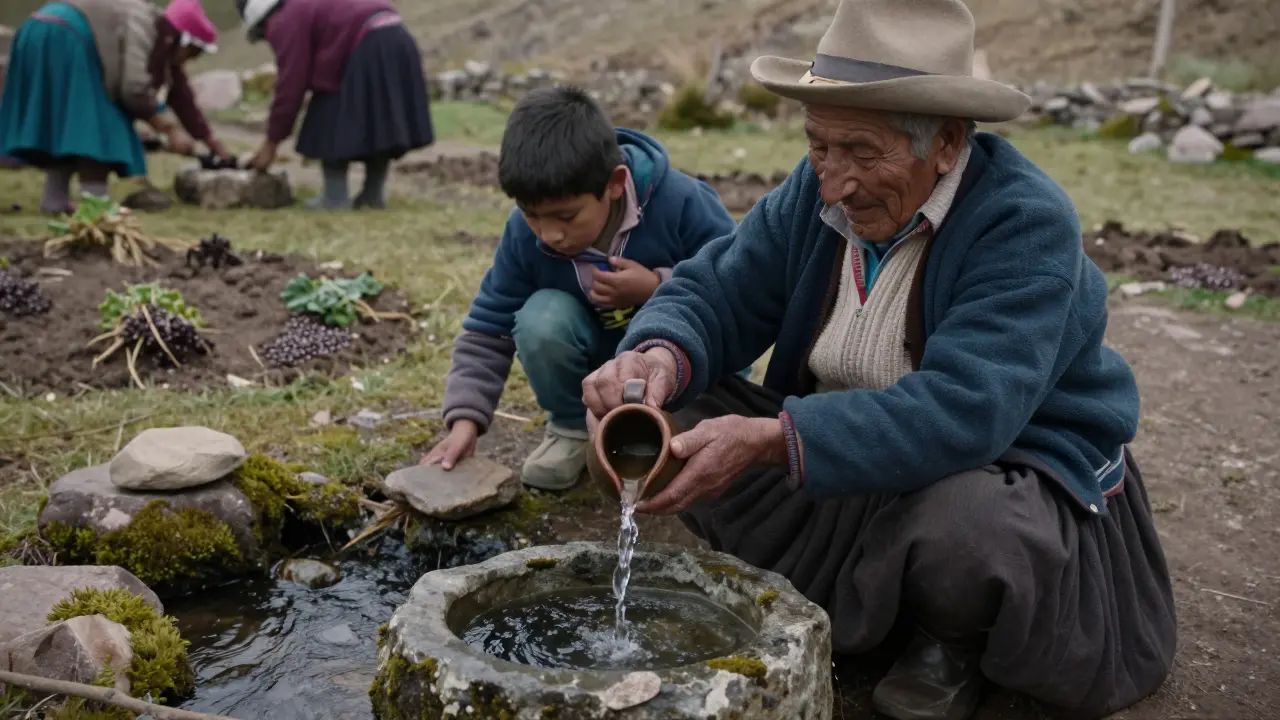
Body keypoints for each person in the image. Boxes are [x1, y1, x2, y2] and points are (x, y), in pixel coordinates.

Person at [581, 1, 1178, 719]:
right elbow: (721, 288)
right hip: (840, 448)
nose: (834, 182)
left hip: (997, 472)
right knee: (656, 422)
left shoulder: (1025, 225)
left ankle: (947, 636)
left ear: (948, 143)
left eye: (862, 153)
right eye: (819, 147)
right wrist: (658, 357)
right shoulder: (817, 192)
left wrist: (774, 440)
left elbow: (965, 410)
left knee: (968, 533)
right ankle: (840, 590)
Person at [421, 85, 737, 491]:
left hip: (684, 374)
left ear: (615, 183)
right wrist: (465, 420)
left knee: (687, 459)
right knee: (541, 318)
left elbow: (734, 281)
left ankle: (691, 423)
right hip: (596, 386)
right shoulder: (524, 235)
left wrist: (656, 285)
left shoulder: (683, 203)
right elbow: (488, 326)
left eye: (566, 216)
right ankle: (573, 429)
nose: (549, 234)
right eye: (532, 215)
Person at [0, 0, 231, 213]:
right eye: (193, 52)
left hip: (34, 31)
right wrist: (168, 128)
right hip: (68, 37)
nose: (190, 59)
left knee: (62, 127)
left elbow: (180, 95)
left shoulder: (162, 41)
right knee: (101, 125)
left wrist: (211, 141)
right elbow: (132, 88)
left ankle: (55, 200)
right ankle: (97, 203)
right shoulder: (144, 27)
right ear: (183, 40)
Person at [236, 0, 434, 210]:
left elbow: (291, 84)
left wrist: (271, 144)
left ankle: (335, 197)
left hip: (366, 44)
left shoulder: (285, 20)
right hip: (397, 38)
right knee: (379, 120)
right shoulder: (303, 6)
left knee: (328, 112)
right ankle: (372, 194)